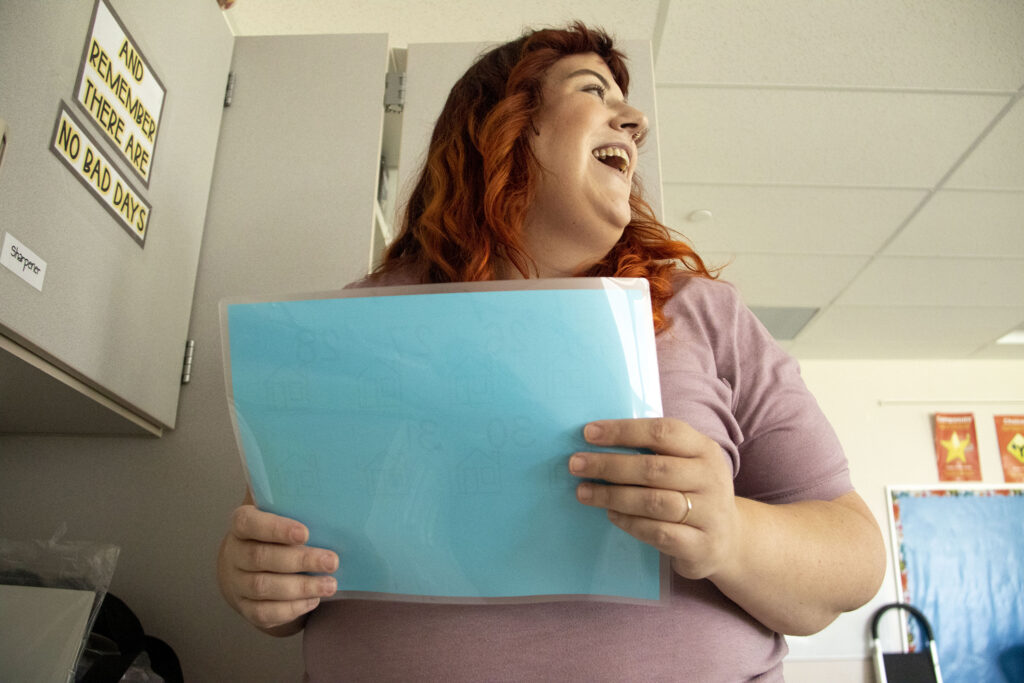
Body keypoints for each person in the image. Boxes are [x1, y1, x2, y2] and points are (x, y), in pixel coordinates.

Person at [218, 22, 886, 681]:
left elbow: (855, 559)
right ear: (501, 124)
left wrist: (730, 533)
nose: (636, 120)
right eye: (594, 90)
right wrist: (255, 581)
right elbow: (280, 564)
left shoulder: (705, 313)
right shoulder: (348, 329)